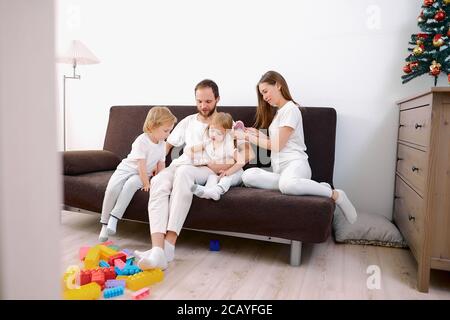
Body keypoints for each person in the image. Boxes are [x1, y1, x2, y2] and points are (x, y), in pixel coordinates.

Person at [135, 79, 254, 270]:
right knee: (158, 180)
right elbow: (165, 145)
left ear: (217, 99)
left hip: (203, 168)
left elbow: (246, 154)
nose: (203, 106)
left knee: (183, 174)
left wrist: (222, 166)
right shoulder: (188, 121)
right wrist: (153, 164)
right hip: (182, 163)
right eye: (199, 101)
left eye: (207, 101)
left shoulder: (226, 123)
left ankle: (168, 246)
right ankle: (157, 250)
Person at [238, 71, 357, 224]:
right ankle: (312, 187)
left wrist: (247, 137)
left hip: (296, 164)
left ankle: (335, 194)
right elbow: (276, 140)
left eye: (265, 91)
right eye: (262, 94)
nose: (264, 97)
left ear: (278, 85)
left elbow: (277, 146)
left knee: (287, 185)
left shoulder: (290, 109)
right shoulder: (278, 113)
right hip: (281, 171)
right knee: (248, 176)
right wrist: (257, 134)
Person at [98, 107, 177, 242]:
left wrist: (159, 181)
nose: (168, 135)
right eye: (166, 131)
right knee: (112, 189)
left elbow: (161, 165)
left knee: (131, 184)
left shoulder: (162, 144)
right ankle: (104, 224)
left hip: (143, 174)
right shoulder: (142, 140)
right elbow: (141, 164)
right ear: (152, 127)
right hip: (127, 169)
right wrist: (146, 183)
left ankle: (114, 217)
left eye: (169, 131)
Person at [190, 112, 247, 201]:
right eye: (212, 130)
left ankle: (217, 191)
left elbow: (241, 161)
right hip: (219, 173)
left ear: (226, 134)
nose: (214, 135)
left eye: (219, 133)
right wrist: (198, 159)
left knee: (225, 178)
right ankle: (207, 191)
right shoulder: (208, 143)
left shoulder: (228, 146)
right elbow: (191, 150)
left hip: (236, 173)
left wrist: (228, 172)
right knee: (212, 177)